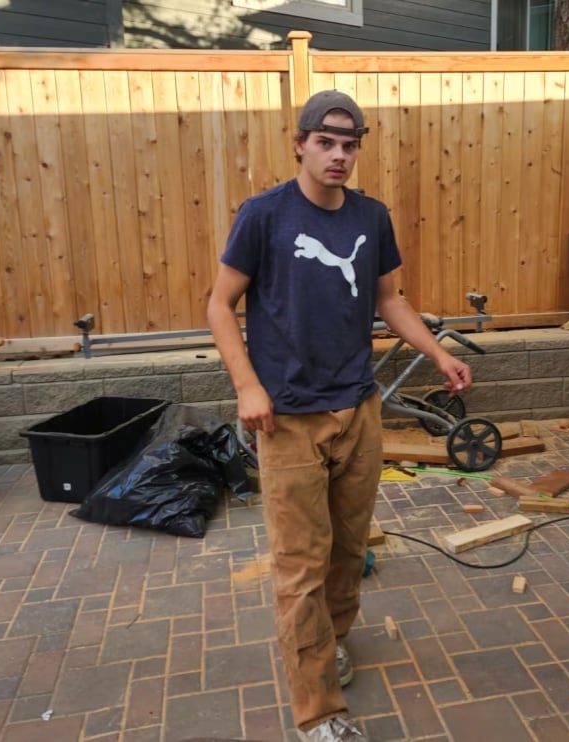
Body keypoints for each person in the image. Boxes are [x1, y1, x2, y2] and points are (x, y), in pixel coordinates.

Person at [207, 89, 472, 742]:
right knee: (300, 565)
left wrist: (438, 352)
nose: (338, 156)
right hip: (287, 420)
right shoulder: (263, 215)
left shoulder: (371, 217)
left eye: (349, 145)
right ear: (299, 143)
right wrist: (247, 386)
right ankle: (318, 713)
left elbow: (390, 300)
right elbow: (219, 305)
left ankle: (336, 639)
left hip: (359, 410)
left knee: (348, 552)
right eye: (325, 142)